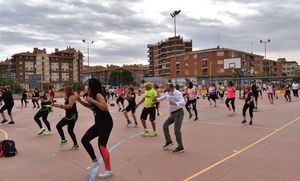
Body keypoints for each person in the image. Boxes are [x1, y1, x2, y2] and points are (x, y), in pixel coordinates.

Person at [77, 78, 113, 178]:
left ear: (92, 86)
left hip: (106, 123)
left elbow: (105, 107)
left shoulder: (98, 95)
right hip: (98, 123)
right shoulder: (92, 95)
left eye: (88, 85)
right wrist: (79, 101)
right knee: (84, 140)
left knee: (101, 145)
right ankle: (94, 161)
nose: (86, 87)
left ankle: (108, 170)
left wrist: (93, 100)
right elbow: (90, 106)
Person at [155, 83, 186, 153]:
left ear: (172, 88)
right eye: (166, 88)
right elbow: (163, 97)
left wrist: (176, 103)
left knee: (176, 130)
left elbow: (183, 102)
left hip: (179, 113)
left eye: (168, 88)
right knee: (165, 126)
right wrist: (156, 100)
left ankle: (180, 147)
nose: (166, 90)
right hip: (172, 114)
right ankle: (169, 142)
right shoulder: (167, 93)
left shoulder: (178, 93)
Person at [53, 87, 79, 151]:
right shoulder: (69, 97)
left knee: (60, 127)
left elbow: (70, 106)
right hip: (69, 116)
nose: (64, 92)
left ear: (68, 91)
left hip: (72, 116)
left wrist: (59, 106)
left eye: (65, 90)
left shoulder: (71, 97)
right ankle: (72, 143)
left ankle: (71, 143)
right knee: (68, 130)